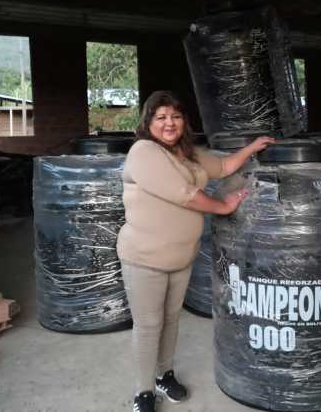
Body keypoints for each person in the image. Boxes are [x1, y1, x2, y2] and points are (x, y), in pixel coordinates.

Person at [117, 90, 274, 412]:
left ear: (184, 121)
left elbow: (223, 166)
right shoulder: (143, 152)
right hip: (145, 257)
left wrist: (252, 147)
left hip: (180, 256)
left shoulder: (187, 153)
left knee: (171, 320)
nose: (169, 123)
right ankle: (143, 391)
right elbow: (185, 194)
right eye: (161, 117)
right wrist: (223, 206)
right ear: (148, 122)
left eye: (175, 116)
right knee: (149, 325)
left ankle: (164, 374)